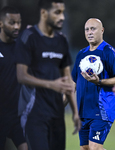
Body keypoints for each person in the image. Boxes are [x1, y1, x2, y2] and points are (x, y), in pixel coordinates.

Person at [14, 0, 81, 150]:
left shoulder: (62, 41)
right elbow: (21, 76)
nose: (62, 17)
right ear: (44, 13)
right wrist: (51, 84)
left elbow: (67, 79)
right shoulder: (29, 37)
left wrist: (75, 112)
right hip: (34, 114)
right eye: (57, 12)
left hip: (57, 115)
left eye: (63, 12)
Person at [72, 18, 115, 150]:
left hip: (102, 110)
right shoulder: (81, 54)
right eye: (87, 29)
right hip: (83, 111)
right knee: (85, 148)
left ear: (102, 30)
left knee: (94, 147)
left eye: (93, 29)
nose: (89, 32)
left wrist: (99, 82)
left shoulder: (108, 52)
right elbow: (73, 82)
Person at [0, 6, 28, 150]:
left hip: (15, 116)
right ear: (1, 23)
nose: (16, 26)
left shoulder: (21, 47)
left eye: (19, 22)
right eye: (12, 23)